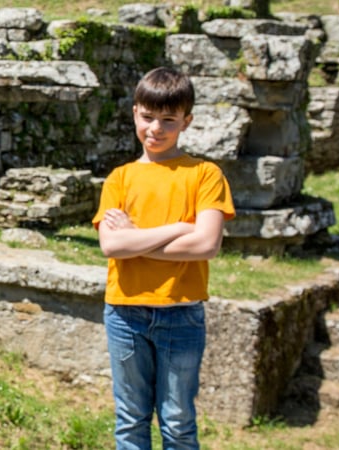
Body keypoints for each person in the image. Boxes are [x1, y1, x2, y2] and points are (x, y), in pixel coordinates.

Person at [92, 67, 235, 450]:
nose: (155, 128)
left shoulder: (205, 174)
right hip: (124, 312)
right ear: (135, 112)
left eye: (168, 120)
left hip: (181, 311)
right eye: (147, 117)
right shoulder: (119, 178)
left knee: (177, 422)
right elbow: (111, 247)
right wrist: (179, 227)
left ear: (186, 121)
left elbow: (206, 245)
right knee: (130, 420)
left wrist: (134, 238)